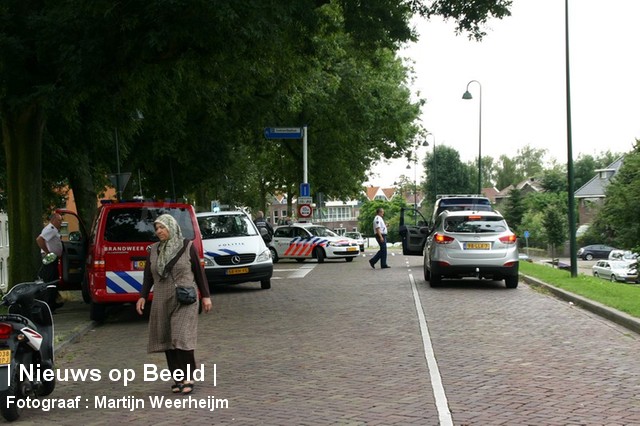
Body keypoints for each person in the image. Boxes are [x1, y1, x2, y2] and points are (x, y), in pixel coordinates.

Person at [135, 214, 213, 395]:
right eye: (157, 228)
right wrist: (142, 296)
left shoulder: (187, 246)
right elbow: (148, 276)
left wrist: (206, 296)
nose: (159, 231)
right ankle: (178, 377)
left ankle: (189, 376)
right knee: (168, 340)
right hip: (161, 298)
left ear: (172, 227)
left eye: (162, 227)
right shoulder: (153, 250)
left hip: (184, 298)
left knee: (181, 337)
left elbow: (199, 272)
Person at [35, 212, 64, 310]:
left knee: (54, 279)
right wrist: (48, 252)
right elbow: (39, 239)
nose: (61, 223)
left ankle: (52, 302)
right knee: (50, 280)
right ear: (54, 220)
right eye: (59, 220)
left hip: (53, 257)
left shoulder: (54, 230)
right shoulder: (50, 229)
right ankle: (49, 304)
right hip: (50, 257)